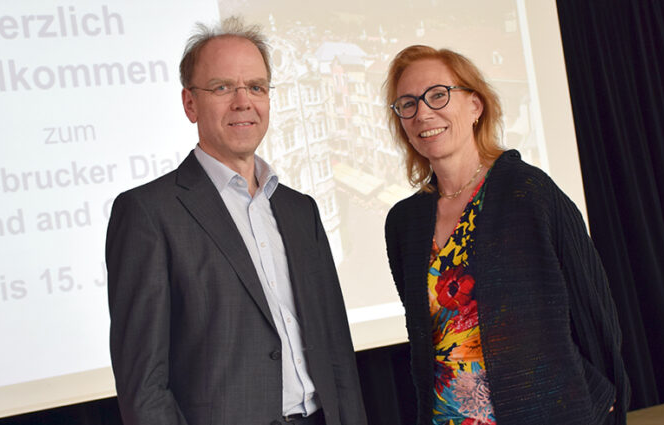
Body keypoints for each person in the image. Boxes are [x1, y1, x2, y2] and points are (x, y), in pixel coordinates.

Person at [106, 17, 368, 425]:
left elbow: (337, 351)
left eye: (257, 87)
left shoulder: (301, 210)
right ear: (190, 104)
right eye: (222, 87)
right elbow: (144, 386)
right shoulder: (147, 214)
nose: (243, 102)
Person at [382, 45, 629, 425]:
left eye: (438, 95)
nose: (423, 113)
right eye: (408, 104)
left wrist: (602, 395)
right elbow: (424, 340)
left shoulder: (528, 192)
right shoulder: (404, 222)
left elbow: (592, 304)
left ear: (475, 106)